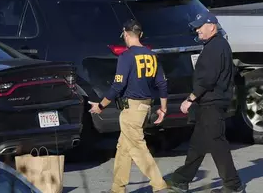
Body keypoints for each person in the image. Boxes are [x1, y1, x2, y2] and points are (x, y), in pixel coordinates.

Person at [166, 12, 245, 193]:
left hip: (212, 103)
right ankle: (181, 180)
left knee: (217, 144)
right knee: (197, 144)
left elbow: (208, 79)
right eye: (196, 27)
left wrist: (189, 99)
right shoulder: (216, 45)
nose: (197, 30)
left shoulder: (215, 47)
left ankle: (233, 186)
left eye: (200, 26)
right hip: (209, 102)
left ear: (212, 26)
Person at [89, 19, 169, 193]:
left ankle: (160, 185)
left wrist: (101, 106)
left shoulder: (126, 56)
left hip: (132, 109)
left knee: (138, 148)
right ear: (140, 34)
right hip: (146, 107)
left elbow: (118, 85)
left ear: (125, 34)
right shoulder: (152, 55)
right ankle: (117, 189)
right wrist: (163, 108)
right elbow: (162, 83)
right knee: (123, 149)